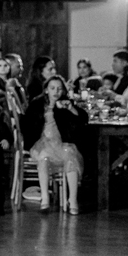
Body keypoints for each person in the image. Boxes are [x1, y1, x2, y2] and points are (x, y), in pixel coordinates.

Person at [22, 74, 88, 214]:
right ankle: (45, 197)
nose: (56, 92)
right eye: (52, 88)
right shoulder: (37, 104)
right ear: (46, 90)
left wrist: (70, 108)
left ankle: (73, 199)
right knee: (44, 157)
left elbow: (83, 119)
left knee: (71, 157)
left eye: (59, 88)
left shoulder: (65, 103)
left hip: (61, 142)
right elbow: (27, 124)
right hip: (42, 142)